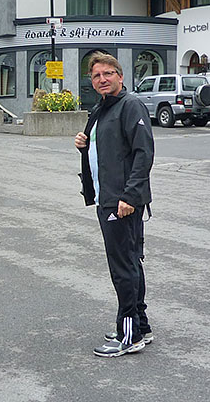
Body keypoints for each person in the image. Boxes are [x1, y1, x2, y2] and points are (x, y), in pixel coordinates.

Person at [74, 52, 154, 357]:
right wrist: (85, 144)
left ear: (120, 76)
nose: (102, 79)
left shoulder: (130, 105)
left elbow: (143, 154)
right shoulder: (102, 108)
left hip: (122, 202)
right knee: (130, 262)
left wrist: (129, 198)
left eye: (108, 73)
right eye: (96, 76)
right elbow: (109, 148)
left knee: (123, 268)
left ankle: (128, 333)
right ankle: (141, 327)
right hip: (109, 198)